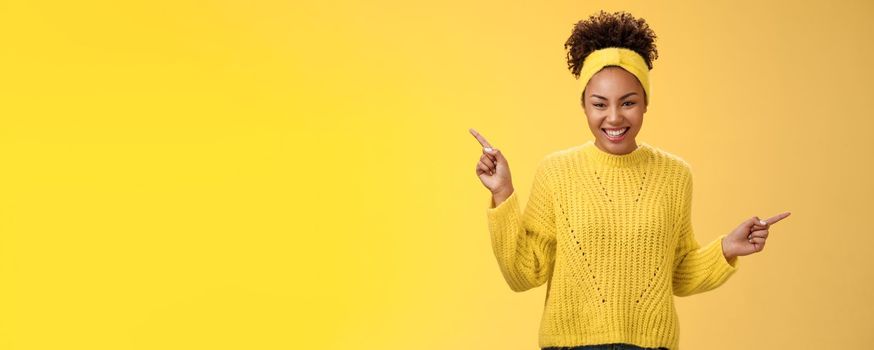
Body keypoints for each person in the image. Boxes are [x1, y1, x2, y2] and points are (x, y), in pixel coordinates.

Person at [469, 10, 790, 350]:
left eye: (628, 103)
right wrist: (503, 192)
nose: (614, 117)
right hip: (569, 345)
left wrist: (726, 248)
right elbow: (524, 273)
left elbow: (676, 272)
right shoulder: (556, 172)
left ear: (646, 103)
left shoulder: (675, 175)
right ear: (584, 106)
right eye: (599, 104)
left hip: (651, 344)